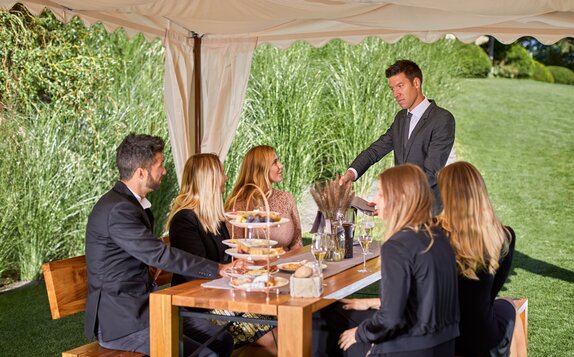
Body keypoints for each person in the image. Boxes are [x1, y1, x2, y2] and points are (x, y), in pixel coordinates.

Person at [84, 134, 234, 356]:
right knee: (207, 354)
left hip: (146, 309)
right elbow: (159, 255)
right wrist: (218, 269)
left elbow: (145, 255)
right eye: (160, 164)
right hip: (123, 322)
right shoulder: (119, 209)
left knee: (222, 340)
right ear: (141, 172)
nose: (164, 170)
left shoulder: (129, 204)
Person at [314, 164, 459, 356]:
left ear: (399, 200)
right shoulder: (438, 236)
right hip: (443, 345)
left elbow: (390, 320)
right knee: (335, 310)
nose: (375, 201)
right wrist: (374, 303)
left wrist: (360, 334)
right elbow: (424, 298)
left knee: (318, 324)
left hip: (408, 347)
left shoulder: (397, 246)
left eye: (381, 194)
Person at [167, 153, 278, 356]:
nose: (225, 179)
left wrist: (243, 262)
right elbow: (195, 271)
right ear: (208, 179)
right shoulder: (184, 220)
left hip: (221, 296)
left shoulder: (214, 219)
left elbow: (226, 259)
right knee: (269, 340)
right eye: (221, 173)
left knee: (279, 329)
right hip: (196, 305)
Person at [339, 60, 455, 214]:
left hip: (426, 210)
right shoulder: (401, 117)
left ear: (416, 83)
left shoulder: (442, 119)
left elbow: (431, 172)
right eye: (392, 88)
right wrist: (350, 174)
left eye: (400, 86)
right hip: (401, 213)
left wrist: (393, 199)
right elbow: (375, 150)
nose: (395, 94)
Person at [436, 161, 526, 357]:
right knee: (509, 306)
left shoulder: (430, 233)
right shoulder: (503, 236)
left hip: (439, 338)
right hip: (481, 339)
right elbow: (490, 295)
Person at [225, 145, 302, 251]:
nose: (281, 165)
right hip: (254, 266)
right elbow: (237, 248)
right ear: (260, 168)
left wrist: (295, 265)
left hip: (286, 265)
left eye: (278, 161)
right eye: (274, 162)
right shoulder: (238, 204)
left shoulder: (286, 198)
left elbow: (296, 242)